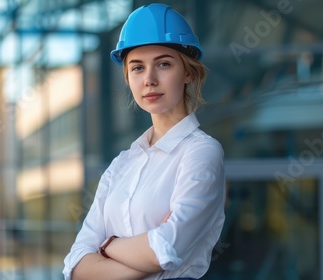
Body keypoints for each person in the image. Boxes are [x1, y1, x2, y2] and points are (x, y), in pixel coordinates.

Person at [63, 3, 225, 280]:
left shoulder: (201, 152)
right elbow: (75, 267)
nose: (149, 79)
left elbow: (165, 250)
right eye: (137, 68)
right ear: (128, 78)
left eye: (163, 64)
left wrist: (107, 245)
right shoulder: (122, 164)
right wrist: (144, 255)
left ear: (187, 72)